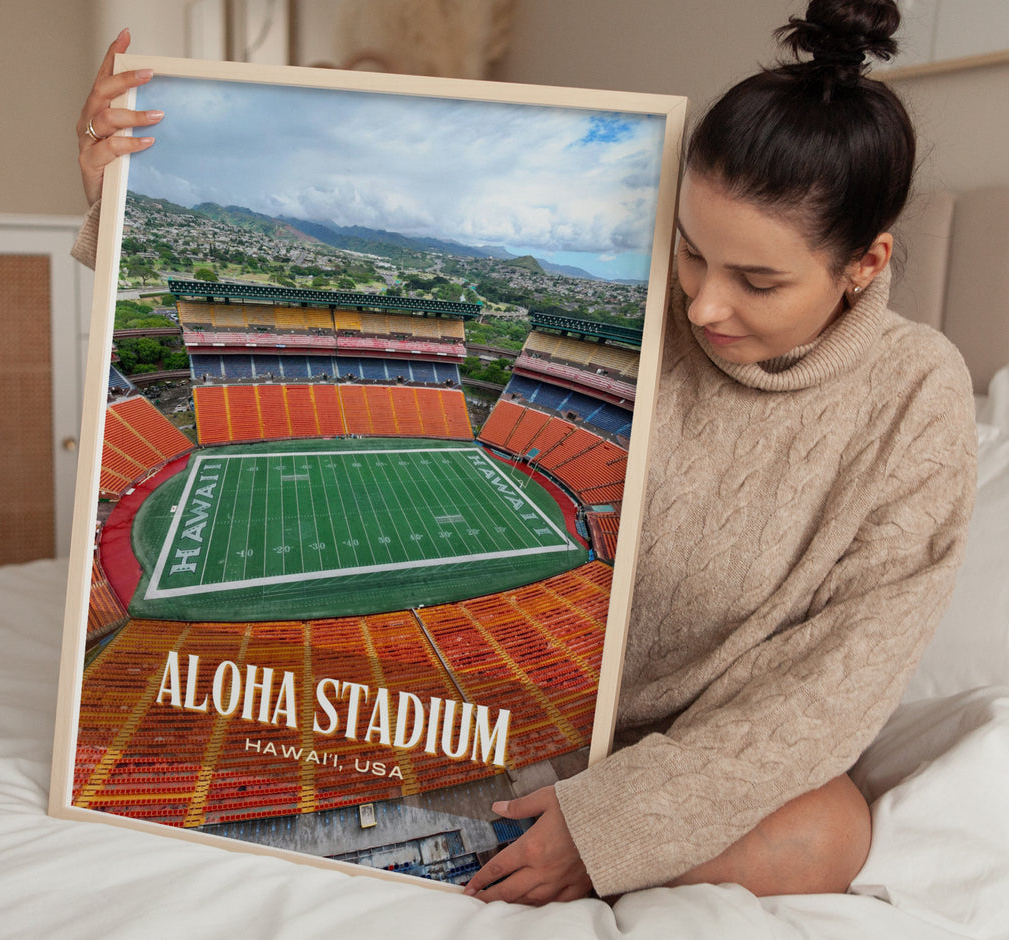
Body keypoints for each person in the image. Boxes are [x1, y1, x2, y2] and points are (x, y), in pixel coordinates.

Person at [74, 0, 976, 905]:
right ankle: (470, 835)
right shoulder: (646, 310)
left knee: (829, 831)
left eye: (758, 280)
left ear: (865, 263)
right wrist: (109, 202)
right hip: (518, 717)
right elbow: (266, 281)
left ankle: (482, 844)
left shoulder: (915, 395)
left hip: (695, 754)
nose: (702, 306)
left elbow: (836, 688)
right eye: (693, 253)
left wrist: (617, 824)